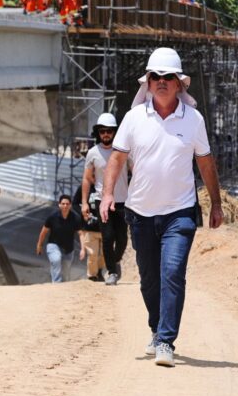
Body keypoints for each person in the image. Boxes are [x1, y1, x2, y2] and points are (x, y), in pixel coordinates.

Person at [100, 47, 224, 367]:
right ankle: (157, 330)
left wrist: (216, 204)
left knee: (172, 273)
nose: (162, 82)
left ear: (180, 82)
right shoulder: (133, 118)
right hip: (140, 213)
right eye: (156, 76)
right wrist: (108, 194)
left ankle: (166, 340)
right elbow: (116, 158)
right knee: (149, 280)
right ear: (149, 81)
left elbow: (206, 163)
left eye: (168, 77)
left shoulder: (194, 120)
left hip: (180, 212)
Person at [82, 113, 129, 286]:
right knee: (108, 237)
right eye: (102, 131)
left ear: (115, 132)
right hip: (101, 201)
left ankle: (114, 262)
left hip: (123, 201)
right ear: (98, 133)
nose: (106, 134)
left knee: (122, 239)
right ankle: (112, 272)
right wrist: (85, 202)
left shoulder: (124, 151)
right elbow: (87, 179)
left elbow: (136, 171)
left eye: (109, 131)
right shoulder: (93, 153)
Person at [37, 194, 82, 283]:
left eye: (67, 204)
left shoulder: (75, 218)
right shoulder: (52, 217)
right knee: (56, 259)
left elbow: (81, 234)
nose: (65, 206)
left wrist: (83, 249)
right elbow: (44, 231)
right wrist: (39, 245)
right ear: (59, 204)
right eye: (63, 203)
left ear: (70, 205)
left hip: (68, 248)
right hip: (53, 244)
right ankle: (56, 285)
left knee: (65, 273)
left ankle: (63, 289)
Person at [73, 185, 106, 282]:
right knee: (92, 253)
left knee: (104, 253)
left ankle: (99, 271)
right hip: (89, 227)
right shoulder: (84, 188)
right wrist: (83, 213)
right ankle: (92, 275)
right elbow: (75, 203)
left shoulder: (106, 185)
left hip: (104, 227)